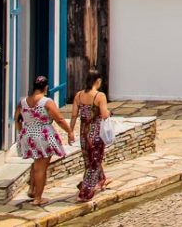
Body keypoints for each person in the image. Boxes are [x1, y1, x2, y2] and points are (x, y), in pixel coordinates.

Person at [15, 75, 73, 207]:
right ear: (45, 87)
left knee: (36, 163)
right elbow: (59, 119)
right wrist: (69, 131)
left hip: (28, 134)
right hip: (43, 135)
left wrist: (21, 133)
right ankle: (38, 198)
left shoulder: (23, 101)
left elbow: (17, 118)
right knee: (41, 168)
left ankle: (32, 190)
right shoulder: (46, 102)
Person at [70, 69, 111, 202]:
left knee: (89, 160)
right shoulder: (100, 96)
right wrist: (110, 113)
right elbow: (104, 114)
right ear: (97, 81)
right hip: (96, 133)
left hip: (84, 132)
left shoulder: (78, 95)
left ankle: (101, 179)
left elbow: (74, 115)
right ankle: (86, 191)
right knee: (94, 162)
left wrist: (70, 131)